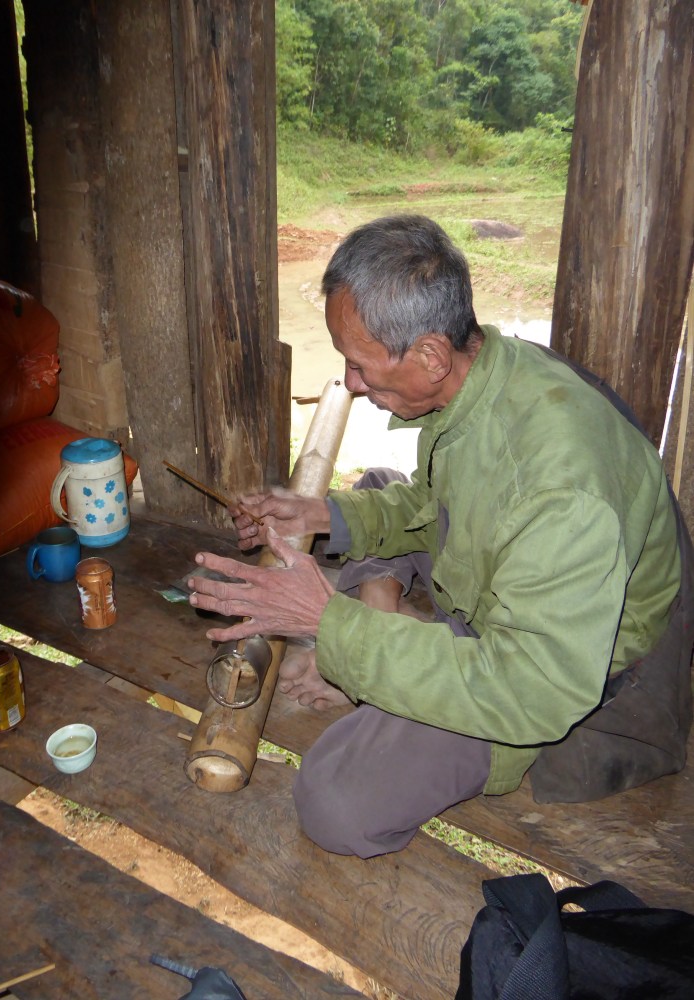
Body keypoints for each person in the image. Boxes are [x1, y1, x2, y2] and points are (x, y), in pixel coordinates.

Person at [189, 214, 692, 859]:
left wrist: (332, 625)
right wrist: (324, 519)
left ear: (429, 354)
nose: (348, 383)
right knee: (371, 488)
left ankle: (374, 663)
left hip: (547, 671)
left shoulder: (562, 493)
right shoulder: (482, 372)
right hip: (504, 582)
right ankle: (383, 644)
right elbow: (434, 501)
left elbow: (531, 691)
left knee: (335, 799)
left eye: (360, 365)